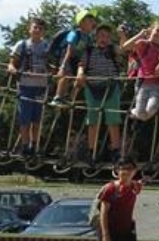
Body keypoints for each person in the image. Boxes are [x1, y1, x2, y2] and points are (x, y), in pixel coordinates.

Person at [75, 23, 124, 164]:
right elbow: (81, 65)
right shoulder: (89, 50)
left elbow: (122, 49)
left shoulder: (113, 49)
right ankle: (92, 151)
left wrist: (122, 36)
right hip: (92, 87)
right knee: (93, 121)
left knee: (113, 120)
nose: (104, 39)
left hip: (111, 87)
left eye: (107, 36)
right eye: (102, 35)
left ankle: (115, 151)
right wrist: (80, 74)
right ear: (96, 37)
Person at [7, 17, 49, 157]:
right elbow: (12, 62)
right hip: (25, 85)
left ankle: (34, 145)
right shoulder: (22, 44)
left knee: (37, 119)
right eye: (35, 27)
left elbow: (50, 64)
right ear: (29, 29)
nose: (37, 30)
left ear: (44, 31)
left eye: (40, 28)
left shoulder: (46, 46)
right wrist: (12, 68)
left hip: (41, 86)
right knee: (25, 118)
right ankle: (25, 145)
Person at [121, 21, 159, 122]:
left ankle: (134, 112)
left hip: (158, 83)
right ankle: (134, 112)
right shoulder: (144, 44)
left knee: (151, 109)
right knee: (141, 114)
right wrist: (140, 34)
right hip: (143, 83)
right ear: (151, 30)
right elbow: (125, 47)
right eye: (157, 30)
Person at [49, 8, 96, 108]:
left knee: (81, 78)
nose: (93, 22)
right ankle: (58, 97)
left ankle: (70, 98)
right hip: (66, 56)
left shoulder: (88, 38)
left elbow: (86, 53)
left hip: (78, 59)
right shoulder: (74, 34)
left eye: (93, 20)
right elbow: (69, 51)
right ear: (82, 22)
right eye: (90, 20)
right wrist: (62, 67)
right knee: (66, 75)